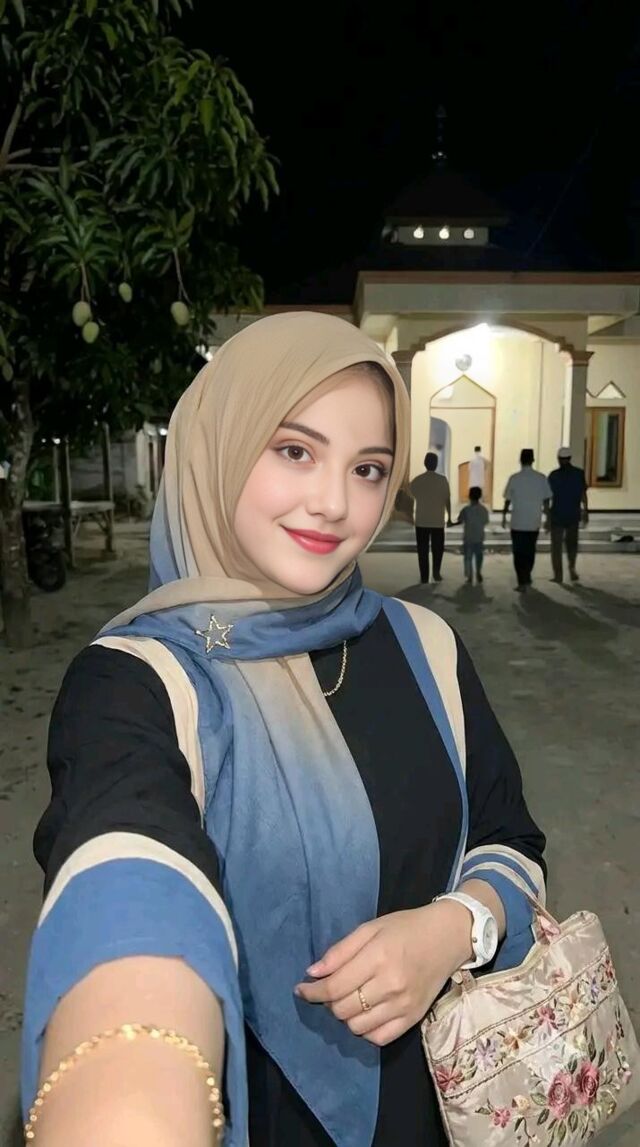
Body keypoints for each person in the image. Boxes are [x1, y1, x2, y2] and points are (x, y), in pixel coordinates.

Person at [22, 313, 546, 1147]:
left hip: (438, 1110)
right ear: (220, 447)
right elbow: (127, 884)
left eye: (368, 468)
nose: (334, 503)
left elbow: (509, 839)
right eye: (295, 451)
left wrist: (456, 927)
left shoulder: (426, 647)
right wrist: (130, 1086)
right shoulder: (138, 681)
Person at [502, 448, 552, 592]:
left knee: (518, 553)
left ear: (520, 460)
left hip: (517, 522)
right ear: (533, 460)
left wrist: (504, 516)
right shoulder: (541, 478)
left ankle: (522, 580)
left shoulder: (514, 478)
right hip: (533, 522)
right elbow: (546, 501)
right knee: (530, 551)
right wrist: (548, 518)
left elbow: (507, 500)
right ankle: (527, 576)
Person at [409, 451, 453, 583]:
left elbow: (410, 497)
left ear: (425, 463)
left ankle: (424, 577)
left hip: (422, 521)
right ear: (436, 464)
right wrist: (450, 517)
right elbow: (447, 500)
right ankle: (436, 573)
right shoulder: (442, 480)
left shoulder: (417, 480)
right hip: (437, 521)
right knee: (437, 549)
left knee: (422, 550)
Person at [547, 446, 589, 583]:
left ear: (559, 459)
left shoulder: (553, 475)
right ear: (570, 458)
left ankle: (558, 575)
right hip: (572, 514)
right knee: (572, 544)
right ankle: (572, 567)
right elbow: (583, 494)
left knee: (556, 547)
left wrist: (547, 516)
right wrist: (586, 510)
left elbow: (547, 497)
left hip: (558, 514)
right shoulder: (579, 473)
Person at [456, 486, 489, 585]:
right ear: (480, 496)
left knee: (468, 557)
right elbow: (485, 521)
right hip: (479, 537)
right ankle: (478, 572)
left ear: (469, 496)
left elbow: (460, 519)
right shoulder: (484, 510)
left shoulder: (466, 509)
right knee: (479, 556)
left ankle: (469, 576)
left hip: (468, 538)